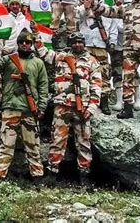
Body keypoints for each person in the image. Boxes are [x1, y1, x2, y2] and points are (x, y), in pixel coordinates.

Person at [32, 25, 102, 185]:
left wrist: (91, 107)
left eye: (80, 42)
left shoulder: (92, 61)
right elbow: (43, 52)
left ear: (84, 43)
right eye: (74, 42)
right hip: (62, 105)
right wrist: (36, 34)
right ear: (70, 44)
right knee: (57, 140)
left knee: (84, 141)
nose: (77, 44)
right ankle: (52, 173)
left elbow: (97, 85)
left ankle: (84, 176)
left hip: (82, 108)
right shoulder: (61, 57)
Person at [0, 31, 49, 181]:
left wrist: (42, 107)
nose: (24, 44)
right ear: (17, 44)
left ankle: (37, 177)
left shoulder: (38, 63)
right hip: (10, 107)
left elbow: (43, 87)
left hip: (30, 110)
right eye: (21, 42)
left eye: (28, 42)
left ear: (31, 44)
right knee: (6, 144)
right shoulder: (8, 59)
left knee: (33, 145)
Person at [78, 0, 117, 115]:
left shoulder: (106, 9)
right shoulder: (83, 7)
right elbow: (77, 17)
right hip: (87, 45)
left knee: (104, 74)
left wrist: (111, 43)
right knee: (86, 72)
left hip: (101, 46)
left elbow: (113, 28)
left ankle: (104, 101)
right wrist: (86, 6)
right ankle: (87, 100)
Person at [110, 0, 140, 112]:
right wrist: (112, 44)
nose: (118, 1)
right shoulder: (113, 13)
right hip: (117, 49)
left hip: (130, 48)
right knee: (117, 73)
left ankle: (137, 98)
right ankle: (119, 101)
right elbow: (113, 30)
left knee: (133, 72)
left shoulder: (129, 11)